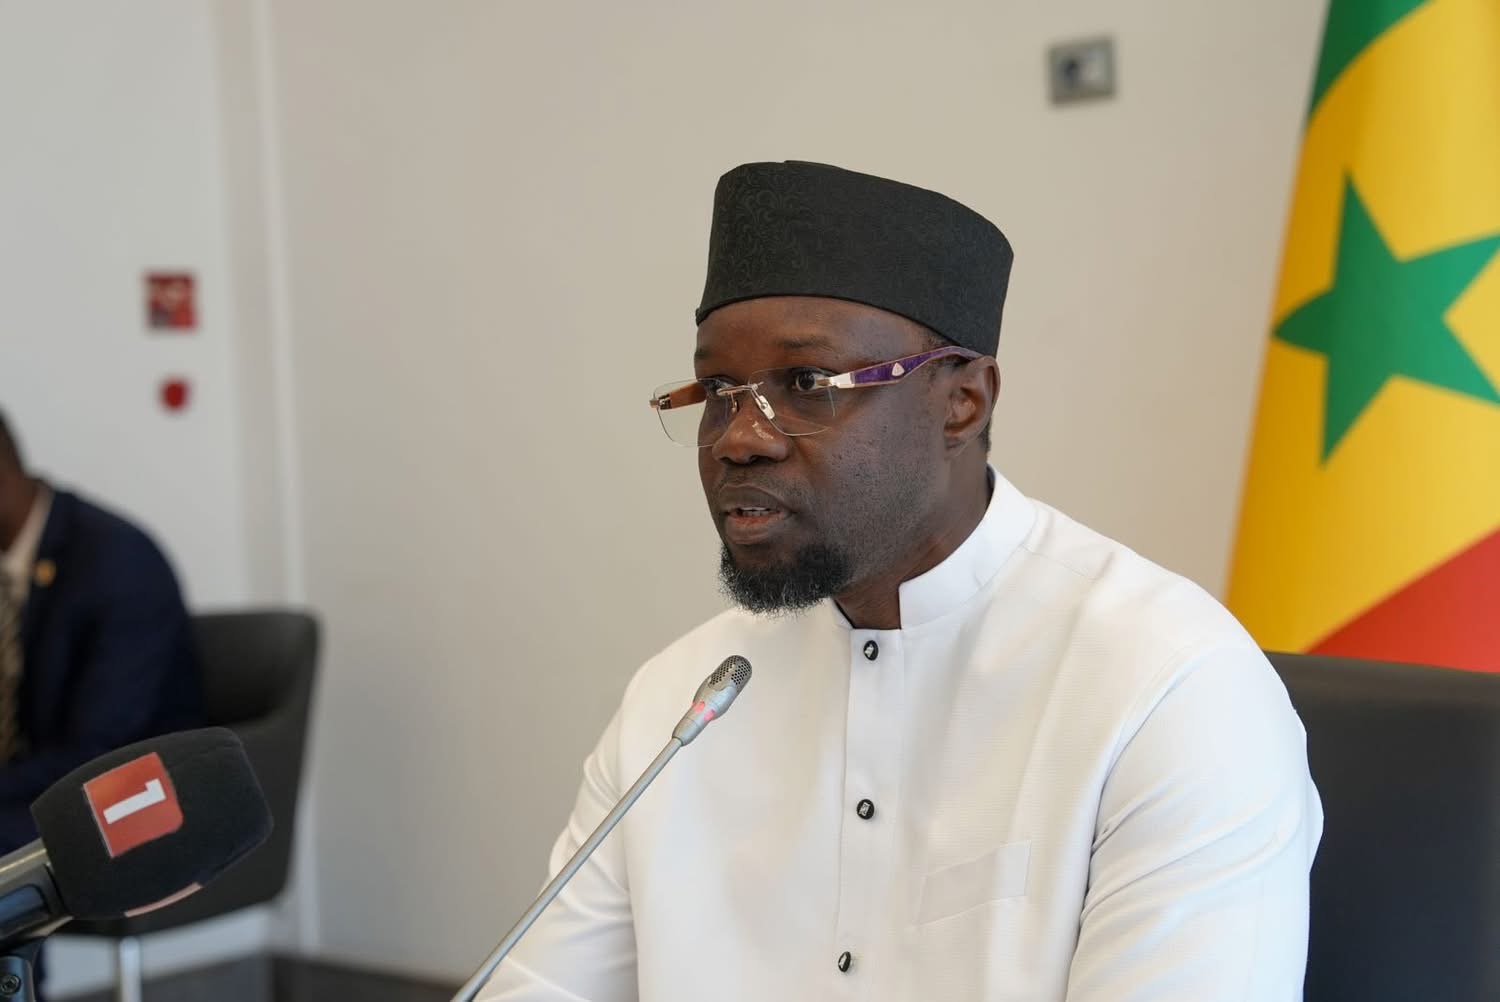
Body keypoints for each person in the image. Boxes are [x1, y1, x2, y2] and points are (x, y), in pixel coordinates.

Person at [477, 162, 1322, 1001]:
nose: (739, 437)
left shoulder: (1167, 688)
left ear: (963, 403)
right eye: (720, 391)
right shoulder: (680, 703)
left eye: (806, 384)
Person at [0, 409, 203, 851]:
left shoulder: (117, 561)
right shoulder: (14, 565)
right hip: (37, 788)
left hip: (125, 803)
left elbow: (95, 751)